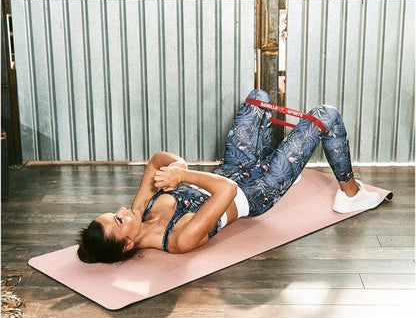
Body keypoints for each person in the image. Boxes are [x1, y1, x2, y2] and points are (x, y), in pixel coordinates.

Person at [77, 89, 380, 263]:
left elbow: (157, 160)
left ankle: (287, 168)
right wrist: (181, 177)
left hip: (232, 167)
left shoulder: (140, 210)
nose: (122, 212)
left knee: (258, 98)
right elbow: (227, 191)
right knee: (327, 114)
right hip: (257, 191)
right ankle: (350, 194)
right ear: (127, 245)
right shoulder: (178, 239)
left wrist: (178, 166)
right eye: (119, 221)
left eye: (114, 213)